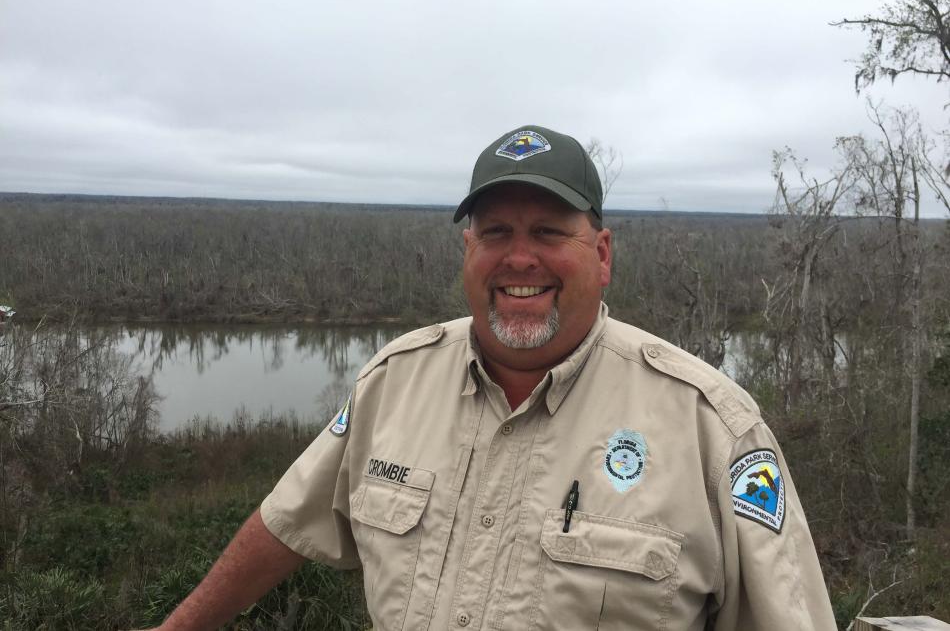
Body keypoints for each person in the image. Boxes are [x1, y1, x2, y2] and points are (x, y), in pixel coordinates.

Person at [150, 125, 837, 630]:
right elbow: (285, 522)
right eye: (496, 232)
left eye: (547, 232)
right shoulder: (395, 382)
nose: (519, 258)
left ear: (601, 254)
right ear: (467, 250)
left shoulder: (710, 424)